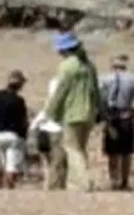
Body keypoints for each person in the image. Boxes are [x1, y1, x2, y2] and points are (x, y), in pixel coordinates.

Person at [43, 31, 102, 191]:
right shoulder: (89, 65)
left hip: (72, 112)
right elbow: (96, 91)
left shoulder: (67, 66)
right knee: (80, 148)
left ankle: (84, 181)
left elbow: (61, 91)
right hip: (89, 113)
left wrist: (50, 112)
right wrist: (100, 110)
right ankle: (75, 183)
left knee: (72, 148)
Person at [99, 54, 134, 191]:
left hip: (111, 116)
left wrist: (102, 112)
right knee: (126, 152)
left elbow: (97, 96)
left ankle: (114, 180)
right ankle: (124, 181)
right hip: (127, 115)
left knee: (112, 152)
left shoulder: (104, 79)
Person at [0, 70, 30, 188]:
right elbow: (23, 121)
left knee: (6, 166)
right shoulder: (18, 100)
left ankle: (6, 188)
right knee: (12, 169)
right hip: (14, 136)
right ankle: (8, 189)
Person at [29, 75, 65, 189]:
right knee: (57, 162)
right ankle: (54, 186)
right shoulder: (59, 101)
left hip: (44, 132)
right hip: (57, 132)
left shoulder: (49, 101)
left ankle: (49, 185)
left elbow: (39, 119)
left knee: (48, 163)